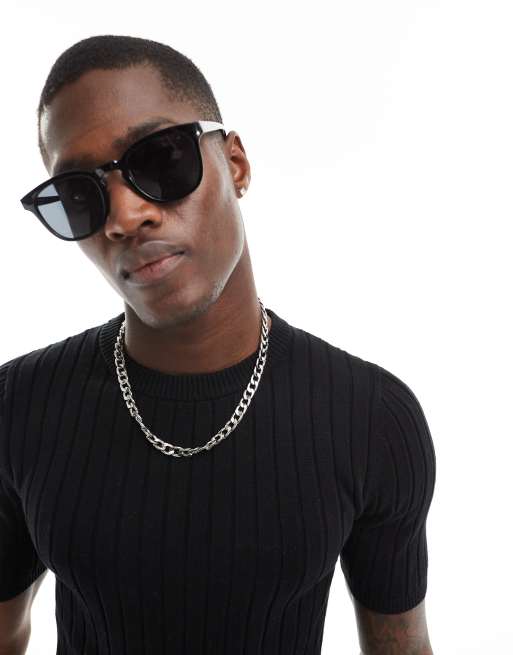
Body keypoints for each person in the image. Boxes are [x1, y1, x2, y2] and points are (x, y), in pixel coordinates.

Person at [0, 35, 436, 655]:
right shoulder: (18, 407)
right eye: (79, 195)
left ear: (235, 164)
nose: (124, 217)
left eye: (160, 159)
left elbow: (402, 646)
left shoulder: (372, 419)